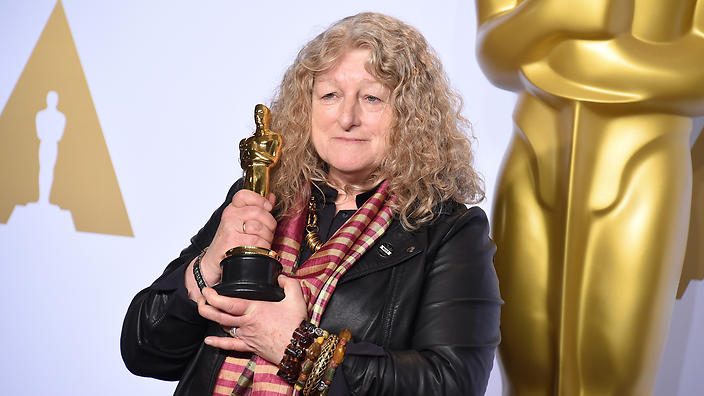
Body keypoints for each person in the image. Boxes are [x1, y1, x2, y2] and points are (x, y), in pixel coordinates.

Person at [121, 12, 501, 396]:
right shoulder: (265, 194)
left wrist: (299, 349)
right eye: (330, 95)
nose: (347, 118)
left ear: (410, 115)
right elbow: (144, 352)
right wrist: (207, 265)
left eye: (372, 98)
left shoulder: (448, 229)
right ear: (308, 107)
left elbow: (453, 383)